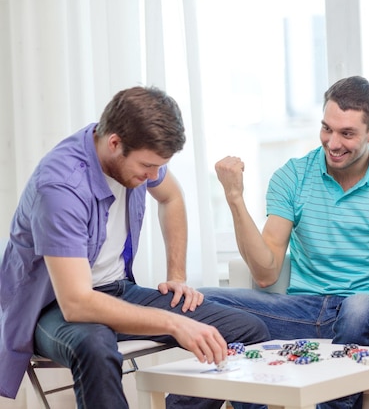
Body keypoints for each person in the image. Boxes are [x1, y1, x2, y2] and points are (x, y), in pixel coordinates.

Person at [0, 86, 270, 409]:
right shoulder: (60, 186)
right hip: (51, 307)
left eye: (160, 166)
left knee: (247, 330)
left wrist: (178, 276)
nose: (154, 176)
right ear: (115, 143)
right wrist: (174, 322)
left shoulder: (137, 157)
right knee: (96, 346)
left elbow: (171, 197)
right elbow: (76, 303)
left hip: (116, 290)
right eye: (147, 167)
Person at [200, 76, 369, 409]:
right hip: (305, 309)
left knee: (359, 306)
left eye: (347, 133)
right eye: (326, 129)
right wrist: (235, 198)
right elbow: (265, 274)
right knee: (204, 300)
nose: (332, 143)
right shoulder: (293, 175)